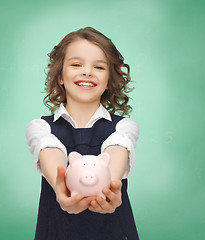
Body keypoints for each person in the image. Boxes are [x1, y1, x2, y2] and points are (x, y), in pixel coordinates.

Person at [26, 27, 140, 240]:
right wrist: (62, 188)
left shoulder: (124, 127)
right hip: (59, 232)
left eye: (99, 67)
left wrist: (108, 190)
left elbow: (115, 150)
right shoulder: (40, 128)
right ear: (60, 76)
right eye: (76, 64)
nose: (87, 71)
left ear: (108, 81)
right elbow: (51, 150)